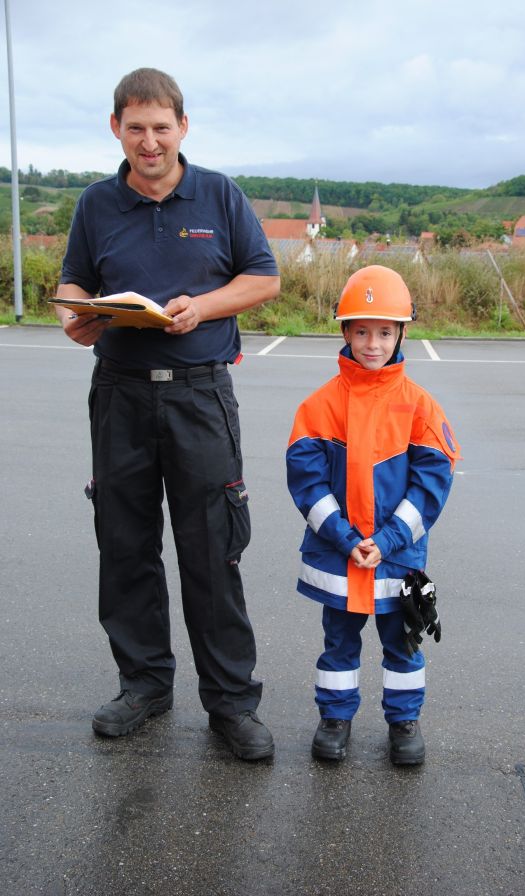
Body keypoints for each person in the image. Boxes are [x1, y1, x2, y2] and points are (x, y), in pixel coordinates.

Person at [55, 67, 280, 760]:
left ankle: (232, 704)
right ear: (116, 130)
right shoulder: (96, 203)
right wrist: (76, 315)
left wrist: (203, 306)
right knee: (125, 547)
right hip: (119, 392)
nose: (148, 142)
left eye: (160, 127)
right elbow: (73, 283)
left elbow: (263, 276)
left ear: (183, 126)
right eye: (135, 128)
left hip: (199, 393)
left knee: (213, 551)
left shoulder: (218, 194)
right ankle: (144, 685)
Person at [286, 265, 460, 764]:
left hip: (395, 560)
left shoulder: (420, 407)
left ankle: (404, 722)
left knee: (402, 645)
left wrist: (385, 542)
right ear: (344, 331)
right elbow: (306, 482)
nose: (372, 343)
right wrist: (346, 539)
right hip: (339, 556)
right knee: (337, 645)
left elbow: (432, 486)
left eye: (385, 332)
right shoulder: (318, 406)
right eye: (361, 331)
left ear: (402, 333)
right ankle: (335, 718)